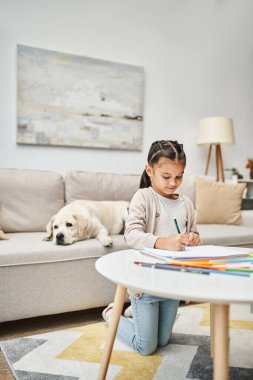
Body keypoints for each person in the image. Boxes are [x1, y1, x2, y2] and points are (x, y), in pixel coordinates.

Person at [102, 139, 201, 355]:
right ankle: (112, 313)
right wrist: (163, 241)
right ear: (150, 170)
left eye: (179, 176)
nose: (173, 183)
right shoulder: (143, 197)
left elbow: (193, 232)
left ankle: (135, 315)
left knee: (164, 342)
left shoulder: (186, 203)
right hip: (145, 283)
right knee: (146, 346)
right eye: (166, 177)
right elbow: (132, 235)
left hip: (172, 284)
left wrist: (193, 237)